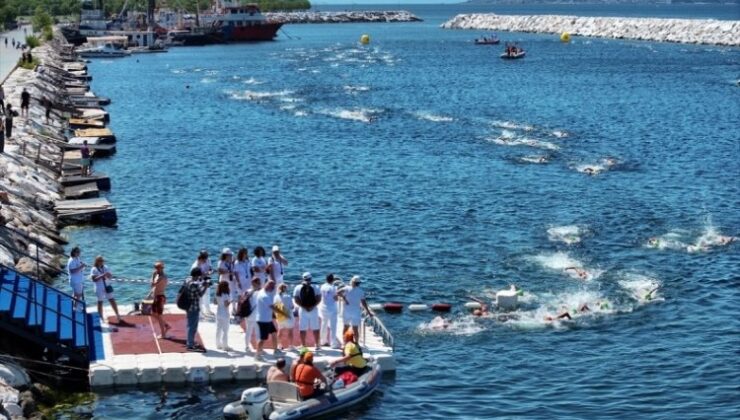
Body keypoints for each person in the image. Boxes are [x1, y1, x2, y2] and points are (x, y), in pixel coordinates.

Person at [255, 280, 284, 360]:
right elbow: (273, 307)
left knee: (274, 333)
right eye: (272, 287)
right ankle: (257, 355)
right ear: (269, 286)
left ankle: (275, 350)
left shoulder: (262, 291)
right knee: (263, 338)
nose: (273, 289)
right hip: (263, 320)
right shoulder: (264, 296)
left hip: (268, 319)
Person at [293, 272, 321, 351]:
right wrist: (312, 307)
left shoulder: (298, 287)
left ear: (303, 279)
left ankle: (303, 345)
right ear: (311, 279)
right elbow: (319, 298)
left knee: (302, 328)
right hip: (314, 310)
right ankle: (317, 345)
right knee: (315, 328)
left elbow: (296, 299)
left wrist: (303, 307)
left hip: (303, 310)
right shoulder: (316, 287)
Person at [185, 267, 211, 352]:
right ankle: (190, 345)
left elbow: (197, 284)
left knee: (190, 325)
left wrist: (202, 283)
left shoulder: (188, 280)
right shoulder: (193, 285)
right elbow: (200, 294)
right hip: (194, 307)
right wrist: (206, 287)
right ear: (197, 275)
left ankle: (191, 341)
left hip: (189, 306)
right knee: (192, 326)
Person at [90, 255, 122, 324]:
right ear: (97, 261)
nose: (102, 262)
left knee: (112, 300)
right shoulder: (94, 269)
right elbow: (94, 279)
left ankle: (117, 314)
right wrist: (102, 275)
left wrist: (108, 275)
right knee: (100, 302)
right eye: (100, 261)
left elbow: (110, 276)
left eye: (102, 261)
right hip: (99, 287)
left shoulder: (106, 267)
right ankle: (100, 317)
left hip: (107, 286)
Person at [318, 273, 341, 348]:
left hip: (323, 307)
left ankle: (323, 341)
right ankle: (333, 343)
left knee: (324, 324)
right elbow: (336, 298)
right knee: (333, 326)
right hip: (332, 308)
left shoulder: (322, 286)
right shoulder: (333, 288)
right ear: (333, 280)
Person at [149, 261, 170, 339]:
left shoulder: (162, 277)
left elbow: (152, 285)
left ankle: (163, 334)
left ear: (162, 268)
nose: (156, 269)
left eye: (158, 267)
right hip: (156, 297)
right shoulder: (159, 275)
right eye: (155, 267)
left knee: (159, 316)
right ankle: (166, 325)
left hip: (159, 297)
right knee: (153, 314)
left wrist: (153, 275)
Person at [191, 250, 214, 317]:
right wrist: (205, 274)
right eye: (204, 258)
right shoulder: (195, 265)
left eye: (206, 258)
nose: (205, 260)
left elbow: (210, 268)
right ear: (200, 258)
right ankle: (200, 312)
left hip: (206, 280)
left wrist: (210, 272)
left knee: (207, 295)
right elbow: (196, 276)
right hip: (199, 281)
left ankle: (207, 310)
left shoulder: (208, 260)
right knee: (200, 297)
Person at [274, 283, 295, 351]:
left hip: (280, 317)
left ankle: (279, 345)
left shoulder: (276, 297)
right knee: (290, 331)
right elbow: (292, 307)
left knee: (280, 331)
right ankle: (291, 346)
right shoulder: (288, 296)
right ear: (285, 289)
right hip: (288, 316)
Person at [243, 277, 261, 352]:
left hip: (248, 314)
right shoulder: (260, 292)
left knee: (248, 331)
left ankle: (246, 347)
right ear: (257, 283)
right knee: (258, 332)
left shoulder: (247, 291)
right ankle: (259, 347)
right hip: (256, 315)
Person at [233, 247, 251, 318]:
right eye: (244, 253)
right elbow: (236, 273)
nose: (246, 254)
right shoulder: (237, 262)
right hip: (241, 281)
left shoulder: (248, 261)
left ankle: (245, 311)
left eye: (246, 253)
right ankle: (238, 312)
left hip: (248, 281)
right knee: (240, 296)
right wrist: (238, 282)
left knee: (247, 296)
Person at [66, 247, 86, 311]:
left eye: (79, 252)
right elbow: (72, 271)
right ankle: (75, 307)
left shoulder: (77, 258)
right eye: (77, 252)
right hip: (75, 280)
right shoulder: (71, 260)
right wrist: (81, 267)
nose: (79, 253)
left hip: (78, 279)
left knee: (76, 294)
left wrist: (82, 265)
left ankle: (75, 306)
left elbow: (79, 266)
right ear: (74, 252)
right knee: (79, 294)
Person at [215, 280, 232, 351]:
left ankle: (218, 344)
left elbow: (215, 302)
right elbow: (226, 304)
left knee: (218, 329)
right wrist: (230, 301)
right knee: (225, 330)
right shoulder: (225, 295)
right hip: (225, 313)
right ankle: (225, 346)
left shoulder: (217, 294)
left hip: (218, 312)